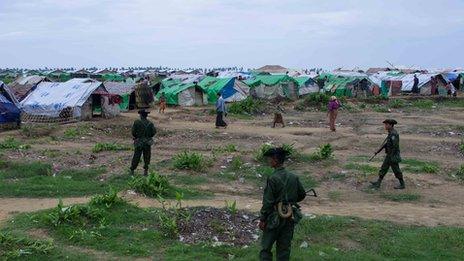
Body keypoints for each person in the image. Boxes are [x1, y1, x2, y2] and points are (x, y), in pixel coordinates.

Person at [259, 147, 306, 261]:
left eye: (270, 159)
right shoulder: (293, 177)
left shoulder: (273, 178)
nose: (269, 161)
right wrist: (290, 201)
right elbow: (302, 195)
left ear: (275, 160)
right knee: (284, 249)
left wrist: (263, 219)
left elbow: (268, 202)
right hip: (289, 217)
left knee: (266, 248)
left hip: (273, 219)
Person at [370, 119, 405, 189]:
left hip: (393, 156)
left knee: (396, 170)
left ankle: (402, 184)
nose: (385, 126)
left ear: (391, 125)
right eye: (385, 124)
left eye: (386, 124)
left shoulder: (394, 134)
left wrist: (391, 156)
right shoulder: (390, 133)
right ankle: (378, 183)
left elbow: (395, 146)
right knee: (384, 168)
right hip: (389, 155)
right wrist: (378, 151)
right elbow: (386, 144)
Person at [130, 109, 156, 176]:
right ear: (147, 115)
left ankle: (132, 170)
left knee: (136, 156)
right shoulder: (150, 123)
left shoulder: (136, 122)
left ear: (140, 115)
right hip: (147, 143)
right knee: (147, 157)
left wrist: (137, 137)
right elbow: (153, 133)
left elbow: (133, 132)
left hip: (139, 142)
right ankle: (146, 171)